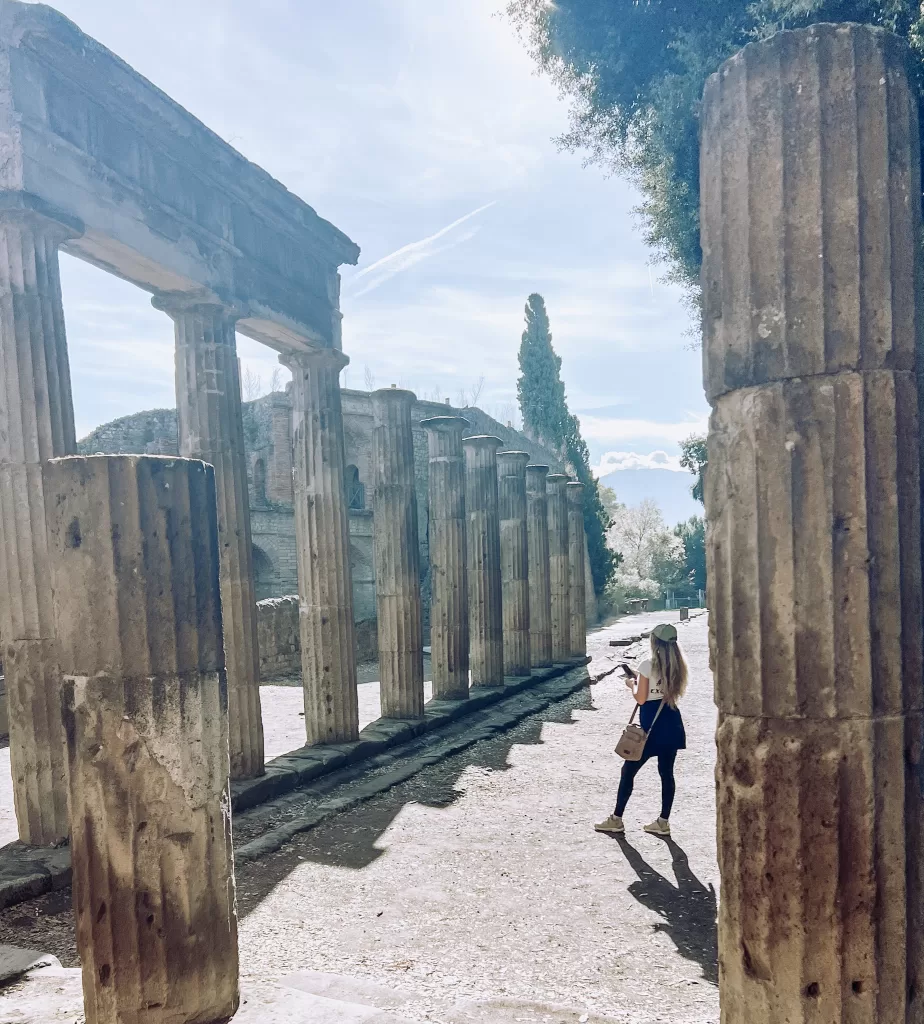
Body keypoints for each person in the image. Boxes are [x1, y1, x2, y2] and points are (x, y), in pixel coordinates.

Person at [595, 622, 688, 837]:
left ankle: (616, 819)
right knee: (666, 773)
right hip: (671, 720)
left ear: (654, 641)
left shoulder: (648, 665)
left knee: (628, 771)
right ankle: (663, 821)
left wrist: (631, 684)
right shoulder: (678, 665)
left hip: (651, 726)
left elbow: (641, 697)